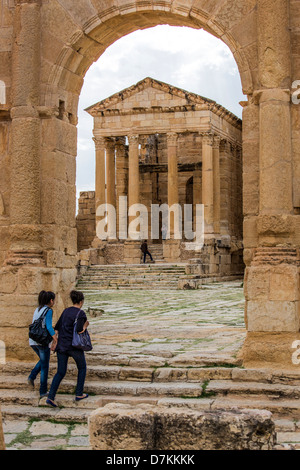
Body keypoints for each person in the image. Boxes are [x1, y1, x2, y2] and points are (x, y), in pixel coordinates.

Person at [46, 290, 89, 407]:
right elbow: (79, 330)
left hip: (62, 346)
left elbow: (57, 327)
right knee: (82, 368)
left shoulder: (65, 311)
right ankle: (79, 393)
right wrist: (85, 326)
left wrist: (55, 342)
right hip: (74, 346)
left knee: (60, 372)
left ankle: (51, 397)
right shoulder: (80, 313)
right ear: (81, 301)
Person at [28, 291, 57, 398]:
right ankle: (43, 391)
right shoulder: (48, 310)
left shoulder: (37, 309)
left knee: (43, 361)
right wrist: (55, 339)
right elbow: (49, 327)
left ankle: (32, 376)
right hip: (42, 341)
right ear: (51, 300)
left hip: (33, 341)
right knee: (45, 366)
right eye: (53, 300)